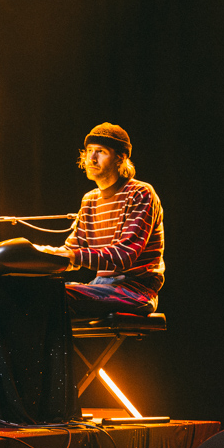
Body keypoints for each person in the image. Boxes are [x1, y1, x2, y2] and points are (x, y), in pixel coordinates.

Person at [42, 123, 164, 316]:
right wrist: (38, 254)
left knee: (52, 295)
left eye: (100, 151)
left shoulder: (140, 193)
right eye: (89, 151)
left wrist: (70, 255)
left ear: (120, 157)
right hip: (100, 286)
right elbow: (72, 250)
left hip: (135, 291)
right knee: (35, 290)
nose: (91, 158)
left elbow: (123, 256)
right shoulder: (89, 200)